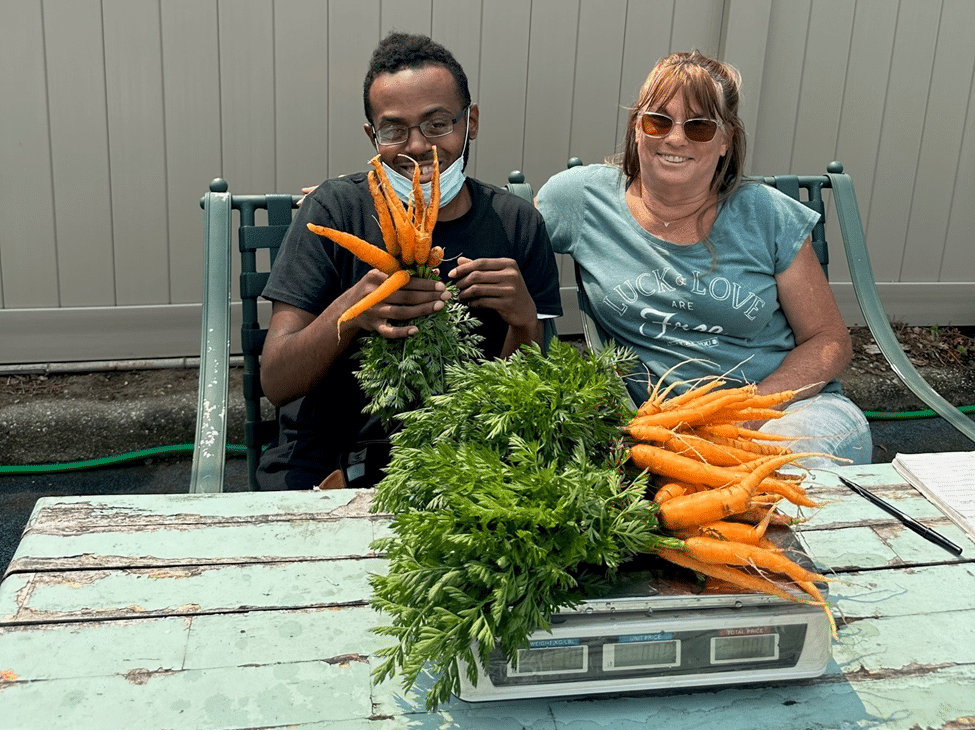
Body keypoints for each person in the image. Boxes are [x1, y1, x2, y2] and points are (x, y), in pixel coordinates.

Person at [535, 51, 871, 466]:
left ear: (726, 139)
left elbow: (829, 340)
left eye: (698, 127)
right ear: (636, 128)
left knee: (782, 473)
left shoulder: (766, 214)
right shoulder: (581, 200)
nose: (675, 138)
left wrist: (744, 413)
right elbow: (505, 240)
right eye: (659, 120)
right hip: (662, 432)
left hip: (783, 415)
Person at [257, 32, 562, 490]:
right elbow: (277, 381)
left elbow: (526, 401)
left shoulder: (516, 225)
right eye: (394, 130)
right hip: (328, 457)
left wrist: (524, 325)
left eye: (438, 124)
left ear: (471, 121)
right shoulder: (334, 210)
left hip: (464, 458)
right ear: (371, 135)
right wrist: (353, 310)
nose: (418, 147)